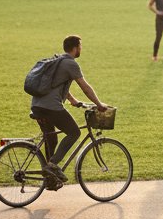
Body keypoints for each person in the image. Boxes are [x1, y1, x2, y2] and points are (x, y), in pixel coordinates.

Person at [30, 35, 110, 188]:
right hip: (50, 107)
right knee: (74, 132)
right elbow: (85, 87)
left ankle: (50, 179)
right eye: (80, 46)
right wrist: (99, 104)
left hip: (37, 105)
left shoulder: (58, 61)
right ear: (75, 48)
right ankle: (52, 164)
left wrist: (72, 100)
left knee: (51, 139)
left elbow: (58, 84)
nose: (81, 49)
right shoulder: (71, 64)